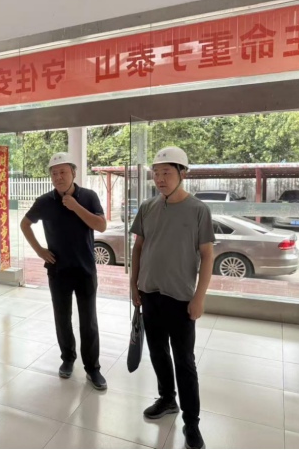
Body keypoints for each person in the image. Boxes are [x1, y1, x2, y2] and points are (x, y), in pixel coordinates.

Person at [130, 146, 214, 450]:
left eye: (166, 172)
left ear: (182, 174)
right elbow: (138, 247)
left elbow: (207, 256)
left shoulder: (198, 210)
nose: (160, 179)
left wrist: (199, 297)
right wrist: (133, 285)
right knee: (157, 351)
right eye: (156, 173)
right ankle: (167, 399)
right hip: (150, 294)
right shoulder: (147, 207)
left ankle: (192, 423)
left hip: (180, 298)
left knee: (184, 361)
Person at [20, 152, 108, 389]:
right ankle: (68, 358)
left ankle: (93, 368)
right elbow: (25, 224)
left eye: (63, 172)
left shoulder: (88, 196)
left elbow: (101, 225)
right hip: (58, 270)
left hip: (85, 269)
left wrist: (76, 207)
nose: (58, 177)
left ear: (74, 173)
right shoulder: (44, 201)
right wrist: (39, 250)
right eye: (54, 173)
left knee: (88, 321)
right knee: (62, 318)